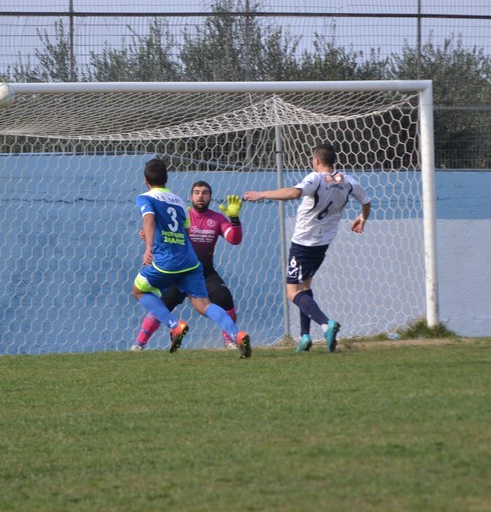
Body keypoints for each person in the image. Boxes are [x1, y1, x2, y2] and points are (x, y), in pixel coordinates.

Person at [243, 143, 371, 353]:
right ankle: (304, 336)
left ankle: (326, 324)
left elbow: (295, 193)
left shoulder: (315, 178)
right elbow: (366, 201)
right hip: (322, 244)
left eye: (312, 159)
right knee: (304, 288)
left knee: (292, 292)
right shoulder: (349, 181)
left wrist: (262, 194)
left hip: (303, 244)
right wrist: (362, 218)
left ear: (317, 160)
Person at [131, 158, 251, 358]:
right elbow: (185, 232)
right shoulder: (179, 202)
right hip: (190, 263)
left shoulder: (145, 198)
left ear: (146, 181)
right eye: (197, 192)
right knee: (203, 304)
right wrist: (154, 235)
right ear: (167, 179)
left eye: (204, 192)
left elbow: (149, 219)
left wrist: (149, 246)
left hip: (169, 262)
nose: (200, 196)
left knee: (139, 291)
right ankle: (236, 335)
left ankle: (174, 325)